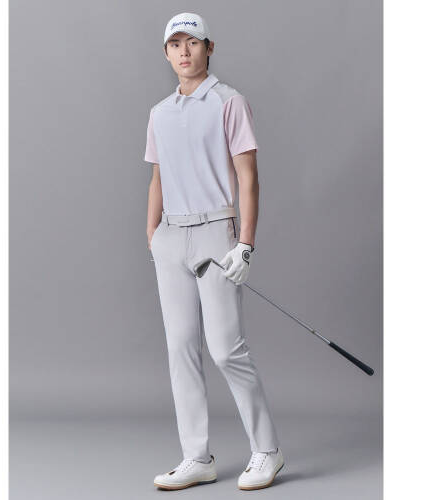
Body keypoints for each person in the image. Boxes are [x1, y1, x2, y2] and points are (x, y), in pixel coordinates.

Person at [144, 12, 285, 491]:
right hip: (171, 237)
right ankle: (196, 458)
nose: (184, 51)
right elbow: (158, 176)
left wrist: (245, 244)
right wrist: (152, 235)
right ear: (167, 53)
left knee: (226, 350)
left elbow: (248, 177)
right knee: (181, 348)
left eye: (193, 42)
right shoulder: (160, 113)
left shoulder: (229, 102)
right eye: (176, 44)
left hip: (215, 232)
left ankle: (268, 450)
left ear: (209, 48)